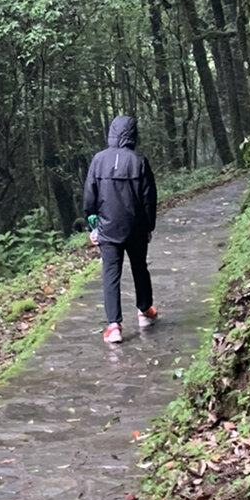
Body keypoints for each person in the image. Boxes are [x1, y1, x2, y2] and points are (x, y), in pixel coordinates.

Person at [82, 114, 158, 344]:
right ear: (133, 134)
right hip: (135, 228)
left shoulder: (98, 160)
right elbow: (149, 199)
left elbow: (89, 197)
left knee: (110, 274)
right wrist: (148, 227)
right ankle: (144, 310)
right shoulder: (139, 161)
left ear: (112, 133)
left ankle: (114, 326)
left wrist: (92, 225)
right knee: (139, 268)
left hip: (107, 228)